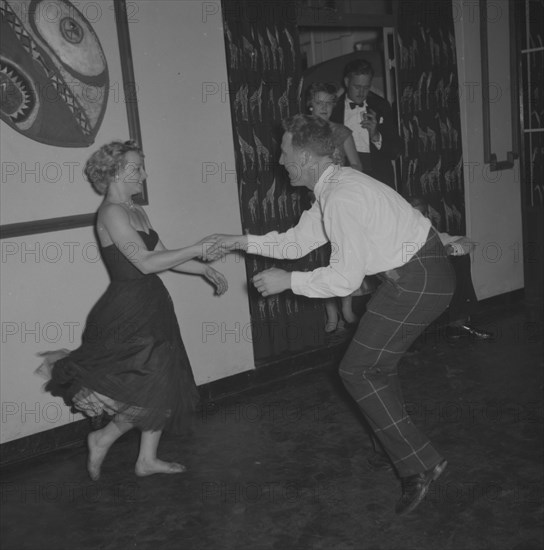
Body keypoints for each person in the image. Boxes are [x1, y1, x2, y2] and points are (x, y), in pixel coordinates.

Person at [205, 115, 455, 516]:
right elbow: (295, 242)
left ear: (305, 156)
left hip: (418, 279)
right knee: (376, 367)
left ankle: (421, 464)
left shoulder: (340, 197)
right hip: (415, 275)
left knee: (357, 370)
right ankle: (394, 447)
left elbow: (344, 278)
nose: (280, 160)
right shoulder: (331, 189)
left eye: (285, 153)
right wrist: (237, 242)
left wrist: (289, 282)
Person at [36, 140, 228, 480]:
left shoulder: (135, 210)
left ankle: (143, 458)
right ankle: (107, 439)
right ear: (114, 172)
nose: (144, 173)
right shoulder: (111, 212)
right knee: (146, 387)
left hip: (153, 307)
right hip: (126, 313)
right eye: (137, 167)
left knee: (161, 386)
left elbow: (163, 253)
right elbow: (144, 261)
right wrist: (197, 247)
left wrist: (203, 268)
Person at [306, 82, 361, 332]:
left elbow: (359, 167)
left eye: (329, 103)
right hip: (314, 203)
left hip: (340, 201)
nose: (324, 107)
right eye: (319, 102)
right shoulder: (301, 133)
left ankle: (347, 308)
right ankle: (330, 314)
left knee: (342, 255)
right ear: (310, 104)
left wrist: (339, 173)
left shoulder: (341, 132)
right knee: (321, 259)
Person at [409, 197, 493, 342]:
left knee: (461, 258)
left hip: (431, 272)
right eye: (414, 214)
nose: (419, 218)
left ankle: (457, 323)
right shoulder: (398, 231)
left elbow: (467, 242)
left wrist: (450, 248)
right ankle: (455, 324)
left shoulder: (428, 228)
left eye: (423, 213)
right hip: (409, 275)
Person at [330, 58, 402, 188]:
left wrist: (376, 136)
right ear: (347, 82)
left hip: (378, 179)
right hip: (345, 179)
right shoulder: (333, 108)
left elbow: (395, 151)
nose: (362, 93)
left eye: (366, 87)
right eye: (357, 87)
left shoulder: (381, 106)